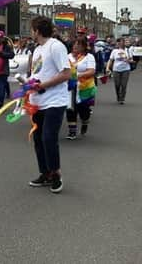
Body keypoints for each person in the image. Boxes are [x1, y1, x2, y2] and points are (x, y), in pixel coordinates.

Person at [27, 16, 71, 194]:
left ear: (37, 30)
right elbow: (37, 73)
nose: (31, 32)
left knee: (48, 138)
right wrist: (27, 86)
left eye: (32, 29)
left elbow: (66, 73)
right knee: (38, 139)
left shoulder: (56, 46)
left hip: (55, 101)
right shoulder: (37, 49)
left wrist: (42, 86)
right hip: (37, 102)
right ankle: (45, 173)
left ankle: (56, 175)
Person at [66, 38, 97, 139]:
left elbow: (91, 71)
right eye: (74, 45)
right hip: (70, 87)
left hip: (85, 88)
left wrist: (77, 75)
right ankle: (72, 132)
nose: (75, 47)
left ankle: (84, 122)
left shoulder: (88, 57)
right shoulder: (67, 57)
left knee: (84, 111)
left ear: (84, 47)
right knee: (70, 108)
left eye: (78, 45)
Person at [106, 38, 134, 104]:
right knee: (117, 85)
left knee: (124, 85)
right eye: (119, 42)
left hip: (126, 69)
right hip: (116, 70)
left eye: (121, 42)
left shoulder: (128, 51)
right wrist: (107, 68)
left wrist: (129, 61)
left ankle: (122, 99)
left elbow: (131, 60)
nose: (120, 43)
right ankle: (118, 96)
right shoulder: (114, 51)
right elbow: (110, 60)